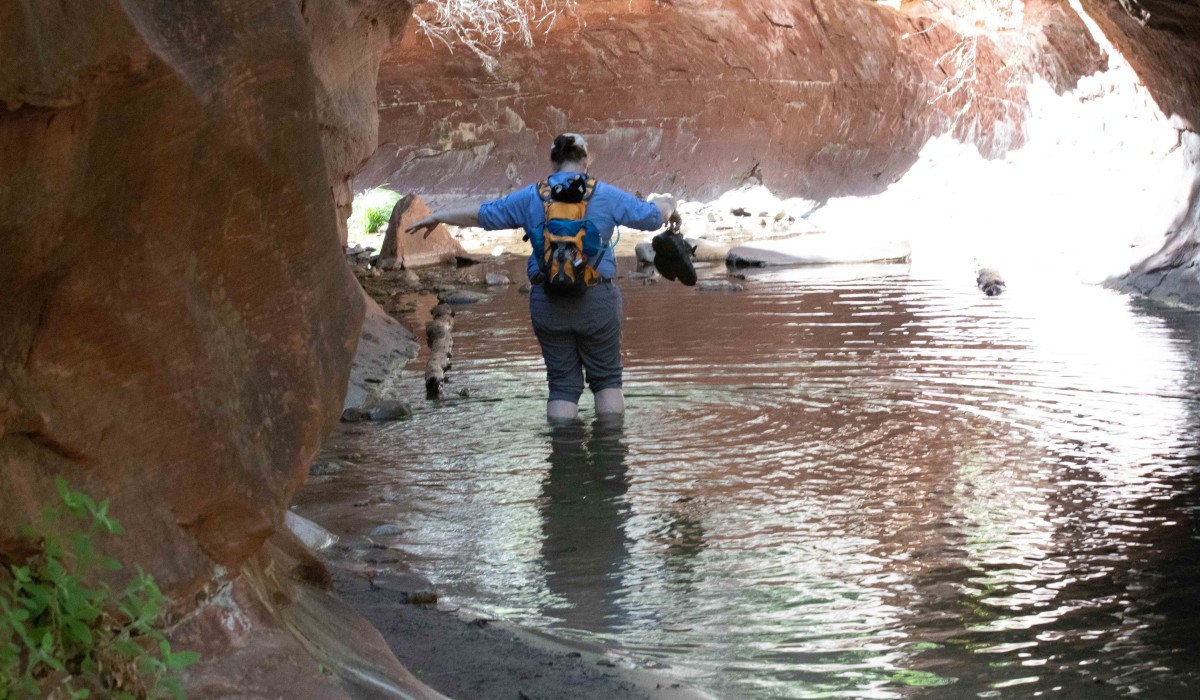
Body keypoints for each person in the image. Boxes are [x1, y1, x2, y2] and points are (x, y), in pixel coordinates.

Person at [406, 133, 676, 421]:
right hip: (597, 299)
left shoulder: (531, 196)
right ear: (584, 160)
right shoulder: (606, 194)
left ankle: (563, 457)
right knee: (607, 379)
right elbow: (652, 217)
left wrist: (439, 215)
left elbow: (482, 215)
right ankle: (608, 456)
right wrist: (667, 202)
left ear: (553, 161)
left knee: (561, 384)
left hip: (547, 301)